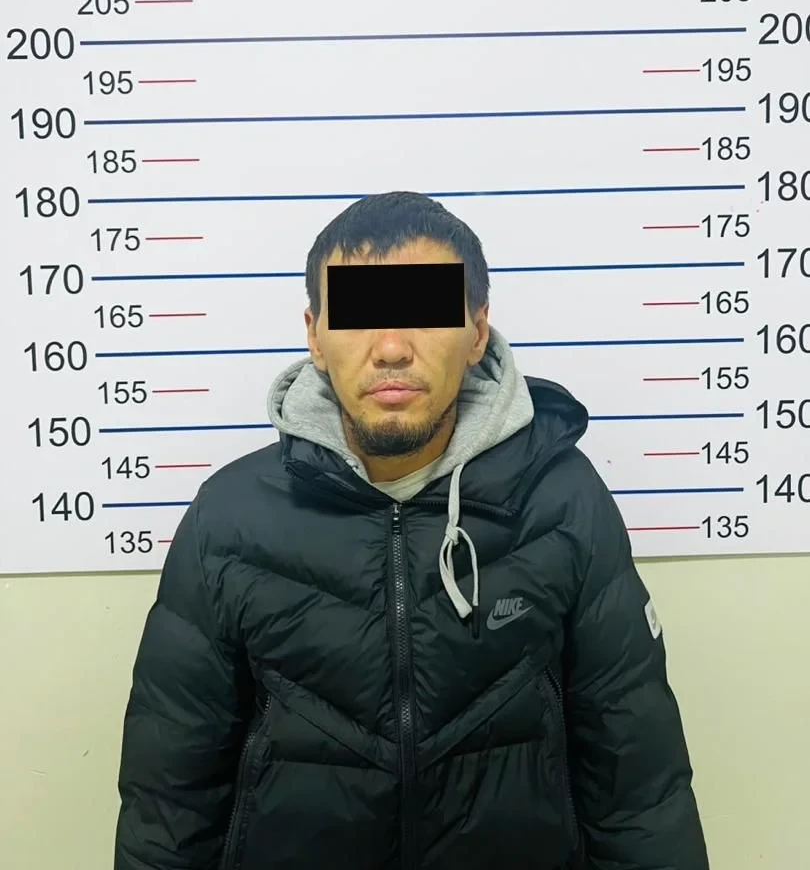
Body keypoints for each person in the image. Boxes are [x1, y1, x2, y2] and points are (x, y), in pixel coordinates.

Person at [114, 190, 710, 870]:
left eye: (423, 312)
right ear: (315, 335)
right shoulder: (228, 519)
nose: (392, 348)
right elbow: (170, 801)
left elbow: (639, 786)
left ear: (477, 331)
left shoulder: (563, 501)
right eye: (359, 314)